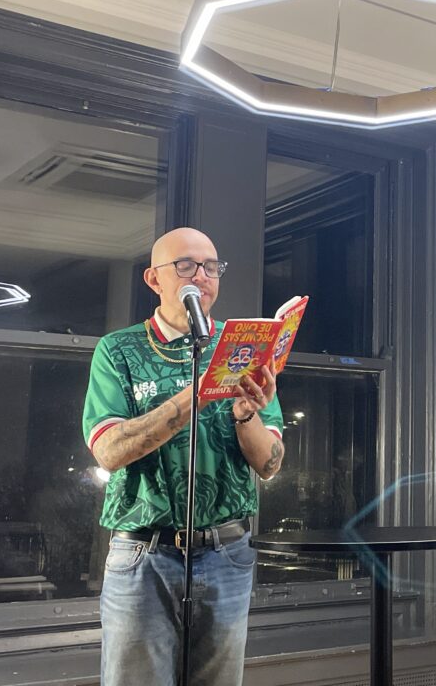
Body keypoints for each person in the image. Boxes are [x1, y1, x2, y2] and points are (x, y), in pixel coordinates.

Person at [82, 227, 285, 686]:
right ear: (155, 279)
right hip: (143, 553)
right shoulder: (119, 350)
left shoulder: (243, 349)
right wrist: (194, 396)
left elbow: (270, 463)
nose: (203, 276)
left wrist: (244, 414)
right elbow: (109, 450)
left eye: (212, 266)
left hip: (228, 553)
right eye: (187, 265)